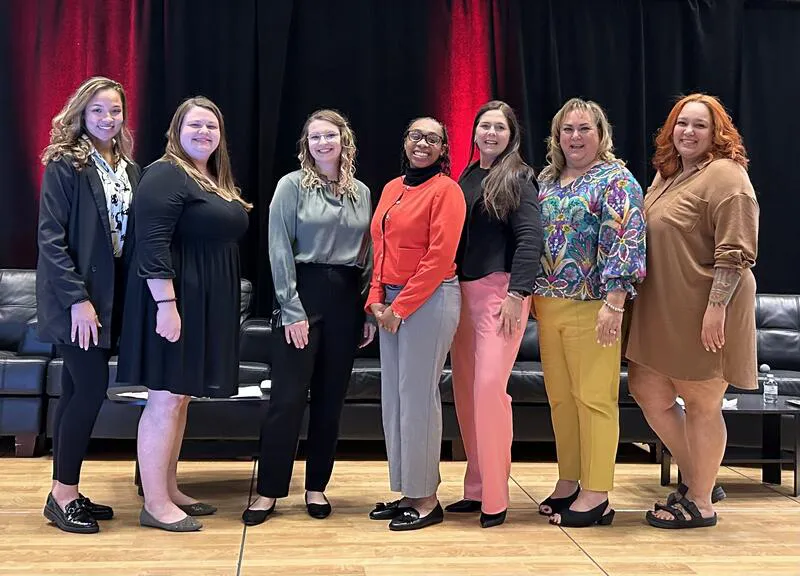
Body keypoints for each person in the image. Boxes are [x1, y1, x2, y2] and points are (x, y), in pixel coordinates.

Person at [117, 96, 251, 532]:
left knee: (180, 397)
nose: (204, 133)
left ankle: (169, 489)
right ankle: (155, 504)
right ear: (176, 130)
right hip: (173, 301)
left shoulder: (210, 177)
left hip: (202, 302)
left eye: (211, 126)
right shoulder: (165, 173)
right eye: (194, 125)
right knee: (165, 398)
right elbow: (151, 244)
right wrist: (166, 306)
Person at [626, 93, 759, 529]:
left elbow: (736, 249)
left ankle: (700, 501)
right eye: (682, 123)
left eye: (700, 125)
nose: (688, 131)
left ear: (717, 133)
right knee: (647, 388)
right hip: (663, 306)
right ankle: (702, 474)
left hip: (707, 306)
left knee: (702, 400)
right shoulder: (669, 173)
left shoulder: (727, 175)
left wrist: (716, 307)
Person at [242, 109, 375, 526]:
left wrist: (367, 309)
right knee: (287, 399)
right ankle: (269, 491)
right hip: (303, 292)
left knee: (331, 401)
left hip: (347, 299)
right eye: (315, 137)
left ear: (343, 140)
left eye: (329, 135)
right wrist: (291, 307)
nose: (323, 143)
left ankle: (316, 486)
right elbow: (278, 246)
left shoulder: (362, 192)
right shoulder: (291, 186)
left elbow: (370, 254)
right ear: (307, 143)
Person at [534, 98, 646, 527]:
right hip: (548, 303)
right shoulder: (548, 180)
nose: (575, 137)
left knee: (594, 399)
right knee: (561, 399)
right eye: (567, 129)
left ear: (601, 134)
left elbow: (626, 239)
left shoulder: (616, 179)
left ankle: (596, 493)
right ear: (557, 136)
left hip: (594, 305)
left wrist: (614, 303)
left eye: (584, 129)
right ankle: (570, 480)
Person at [36, 76, 140, 534]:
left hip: (112, 293)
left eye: (115, 110)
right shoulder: (66, 163)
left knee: (76, 391)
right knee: (91, 389)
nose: (107, 118)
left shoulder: (129, 167)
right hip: (76, 298)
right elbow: (51, 239)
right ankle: (63, 496)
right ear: (82, 112)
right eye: (98, 110)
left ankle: (65, 491)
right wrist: (78, 300)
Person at [445, 101, 542, 528]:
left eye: (499, 127)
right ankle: (477, 488)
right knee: (467, 393)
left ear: (511, 135)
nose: (491, 133)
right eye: (484, 125)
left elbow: (530, 238)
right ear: (474, 132)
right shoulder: (466, 176)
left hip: (502, 294)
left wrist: (518, 293)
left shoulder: (518, 176)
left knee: (488, 390)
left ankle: (496, 499)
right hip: (462, 295)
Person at [366, 117, 465, 531]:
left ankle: (426, 499)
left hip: (430, 299)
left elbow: (439, 257)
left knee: (418, 398)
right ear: (405, 141)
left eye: (432, 138)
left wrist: (400, 307)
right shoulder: (392, 188)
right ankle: (407, 490)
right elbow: (379, 247)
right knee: (395, 399)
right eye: (415, 136)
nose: (422, 144)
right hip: (390, 302)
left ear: (443, 148)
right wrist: (375, 299)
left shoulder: (447, 191)